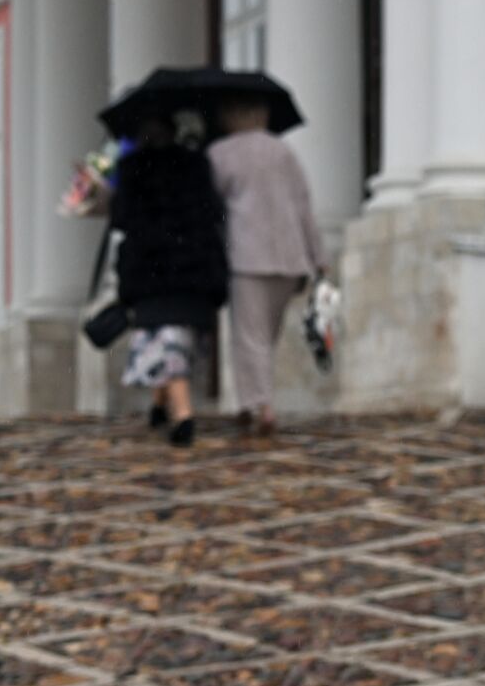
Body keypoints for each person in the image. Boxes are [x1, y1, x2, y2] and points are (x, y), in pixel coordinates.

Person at [207, 96, 325, 437]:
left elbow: (212, 202)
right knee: (266, 334)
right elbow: (304, 205)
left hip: (248, 254)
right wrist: (319, 257)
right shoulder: (283, 152)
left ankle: (262, 403)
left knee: (250, 335)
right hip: (290, 256)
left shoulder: (221, 153)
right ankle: (250, 401)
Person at [110, 112, 228, 447]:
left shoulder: (132, 169)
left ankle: (183, 415)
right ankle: (163, 405)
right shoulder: (194, 164)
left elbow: (121, 218)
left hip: (151, 271)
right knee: (175, 340)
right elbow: (213, 210)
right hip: (191, 268)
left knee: (163, 340)